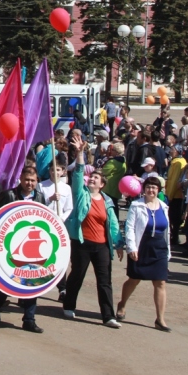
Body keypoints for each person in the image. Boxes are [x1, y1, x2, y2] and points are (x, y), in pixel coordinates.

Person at [63, 135, 121, 328]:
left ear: (102, 184)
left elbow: (112, 225)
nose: (92, 179)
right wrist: (80, 153)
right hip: (82, 242)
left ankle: (108, 316)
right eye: (92, 176)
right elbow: (79, 174)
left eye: (96, 178)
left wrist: (118, 243)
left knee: (104, 281)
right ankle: (69, 305)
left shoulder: (108, 201)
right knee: (77, 275)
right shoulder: (81, 195)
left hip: (102, 246)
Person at [0, 166, 47, 334]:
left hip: (32, 248)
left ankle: (29, 319)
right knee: (4, 283)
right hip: (9, 247)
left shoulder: (40, 198)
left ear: (37, 182)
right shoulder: (9, 195)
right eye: (27, 180)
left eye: (33, 180)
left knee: (32, 282)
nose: (29, 183)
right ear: (21, 180)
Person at [118, 176, 172, 331]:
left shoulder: (163, 206)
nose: (151, 190)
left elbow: (167, 230)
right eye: (148, 187)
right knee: (134, 279)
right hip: (142, 245)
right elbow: (129, 227)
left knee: (160, 282)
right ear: (144, 189)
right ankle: (122, 304)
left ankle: (160, 319)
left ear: (158, 190)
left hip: (159, 247)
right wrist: (132, 247)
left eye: (154, 188)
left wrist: (168, 251)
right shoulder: (136, 205)